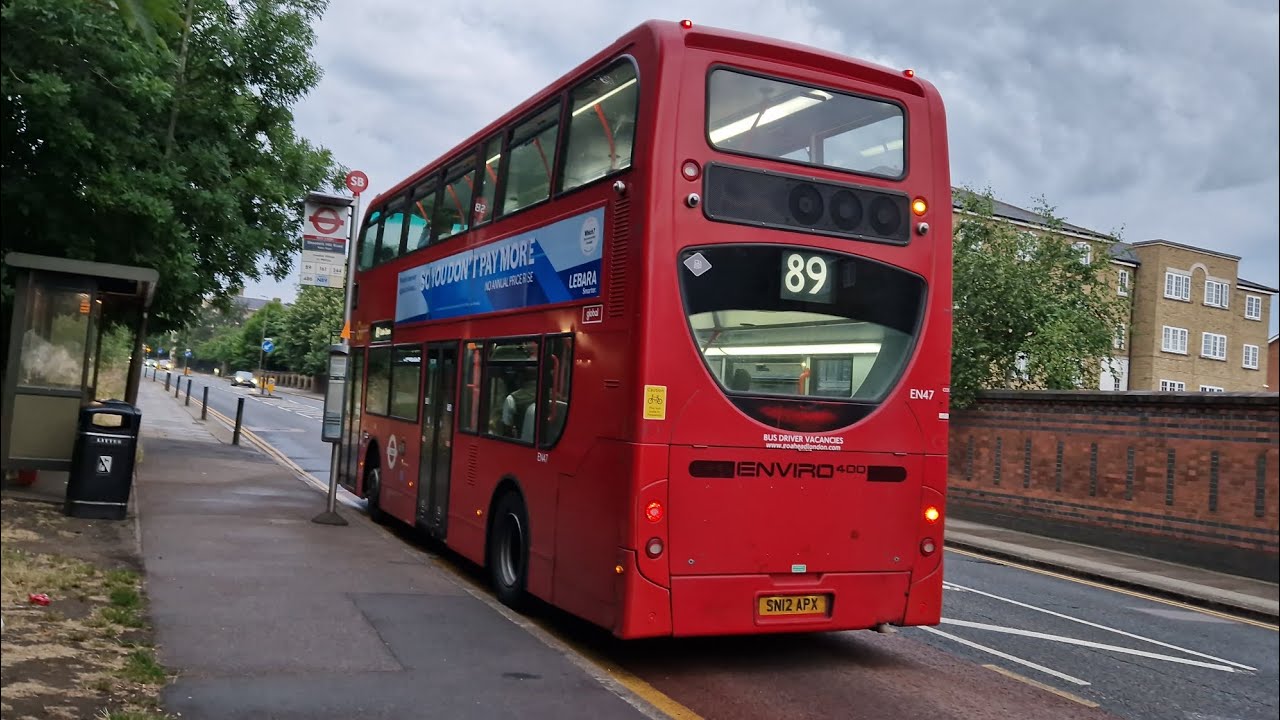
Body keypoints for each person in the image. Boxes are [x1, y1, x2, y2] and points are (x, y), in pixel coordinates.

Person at [502, 372, 537, 441]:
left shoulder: (512, 398)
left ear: (520, 378)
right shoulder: (554, 395)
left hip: (522, 443)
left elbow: (507, 427)